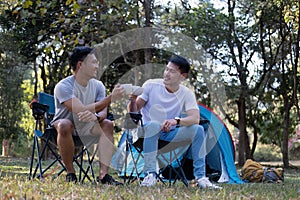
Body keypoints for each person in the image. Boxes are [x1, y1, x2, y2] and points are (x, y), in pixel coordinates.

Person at [127, 55, 222, 189]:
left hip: (168, 135)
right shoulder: (151, 85)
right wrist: (132, 100)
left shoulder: (186, 93)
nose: (166, 74)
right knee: (153, 125)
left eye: (172, 71)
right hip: (144, 134)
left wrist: (176, 121)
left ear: (182, 76)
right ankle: (150, 174)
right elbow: (134, 112)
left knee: (198, 129)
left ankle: (201, 178)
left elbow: (195, 118)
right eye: (166, 69)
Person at [51, 46, 125, 185]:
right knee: (65, 124)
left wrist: (96, 117)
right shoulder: (63, 86)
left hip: (88, 126)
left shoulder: (98, 86)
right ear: (80, 65)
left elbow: (103, 112)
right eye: (94, 62)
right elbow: (80, 109)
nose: (97, 66)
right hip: (65, 128)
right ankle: (70, 173)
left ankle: (104, 176)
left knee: (108, 124)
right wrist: (111, 98)